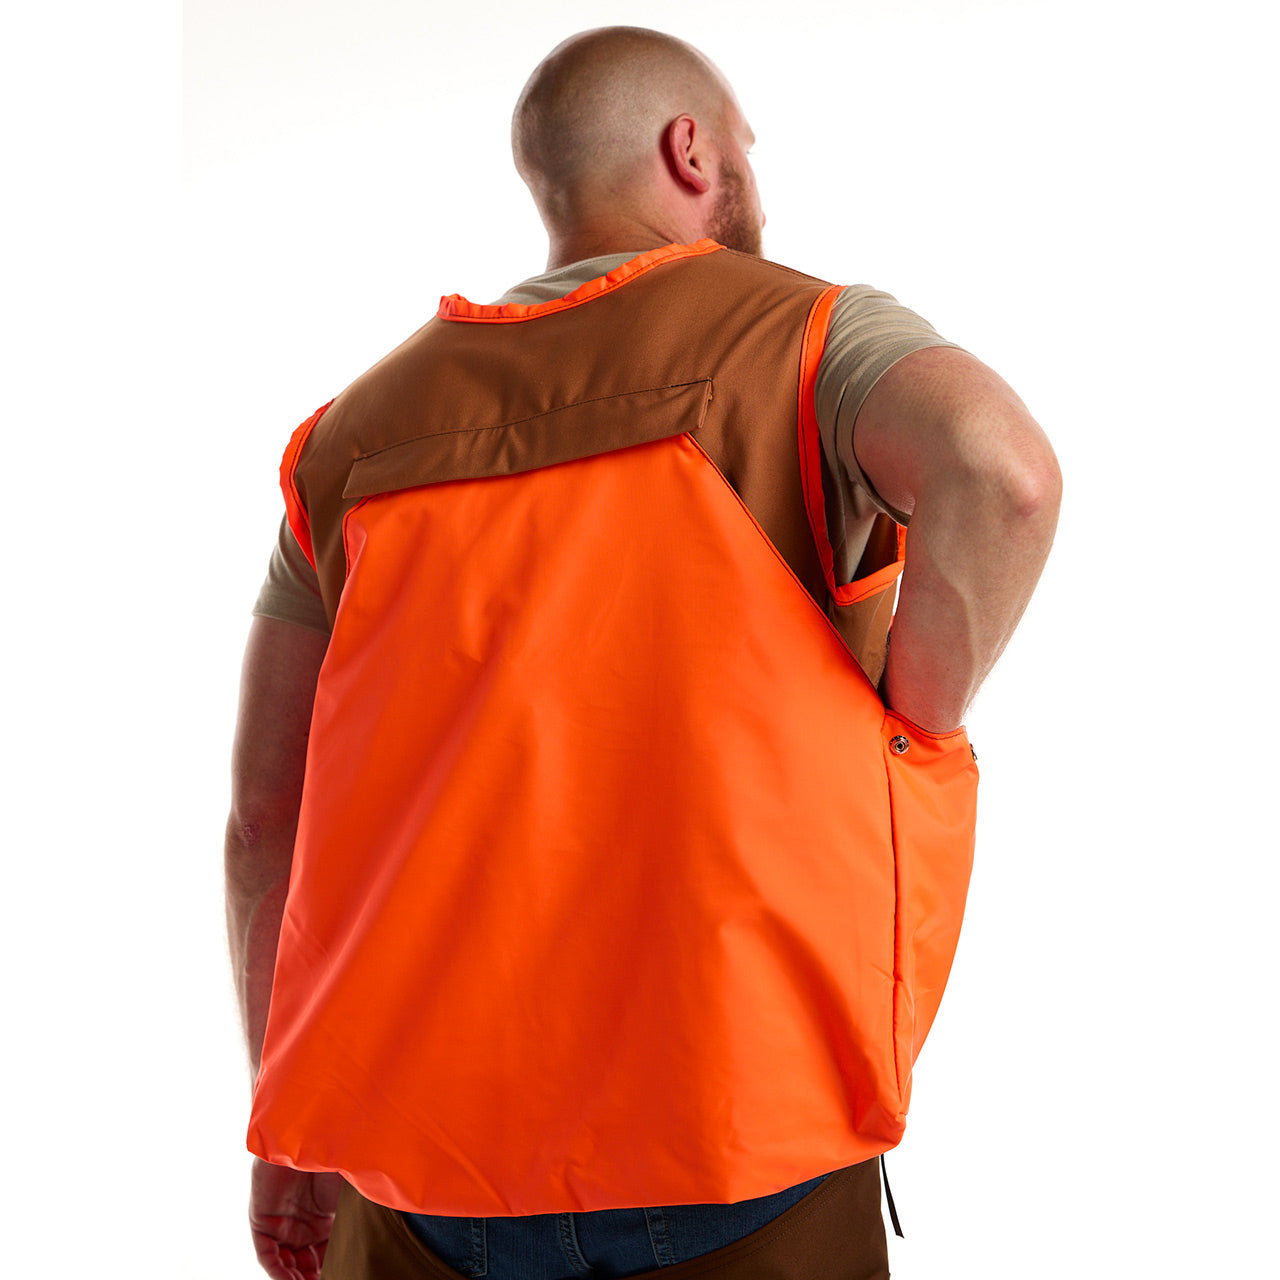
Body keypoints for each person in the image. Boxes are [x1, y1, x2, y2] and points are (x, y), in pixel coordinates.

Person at [225, 25, 1061, 1280]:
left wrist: (285, 1122)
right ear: (692, 151)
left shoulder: (350, 439)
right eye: (745, 152)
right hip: (745, 1149)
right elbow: (1000, 472)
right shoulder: (801, 339)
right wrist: (912, 722)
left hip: (423, 1179)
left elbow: (265, 822)